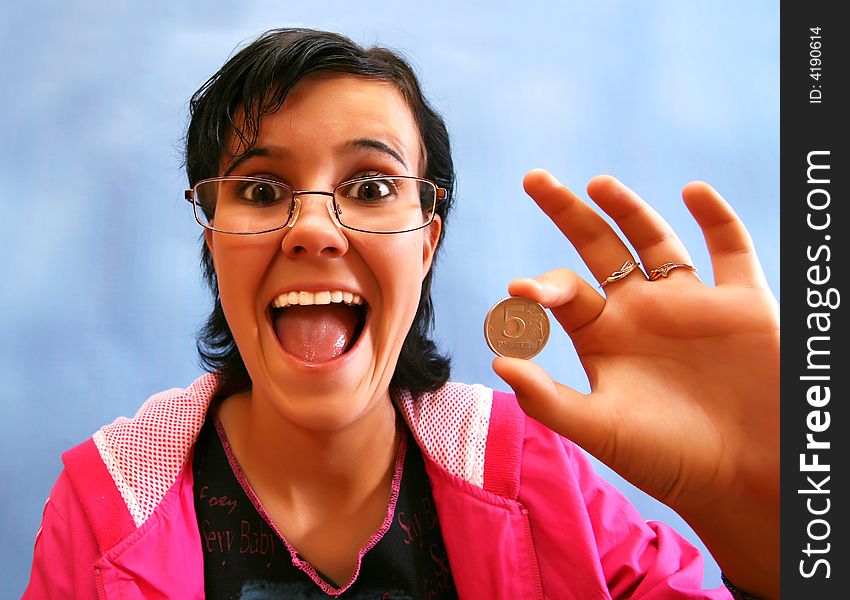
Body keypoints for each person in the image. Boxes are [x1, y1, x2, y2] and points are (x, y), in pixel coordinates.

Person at [23, 28, 779, 599]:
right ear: (212, 234)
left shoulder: (533, 474)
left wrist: (768, 521)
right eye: (260, 191)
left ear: (427, 240)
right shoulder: (105, 503)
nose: (314, 228)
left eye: (372, 187)